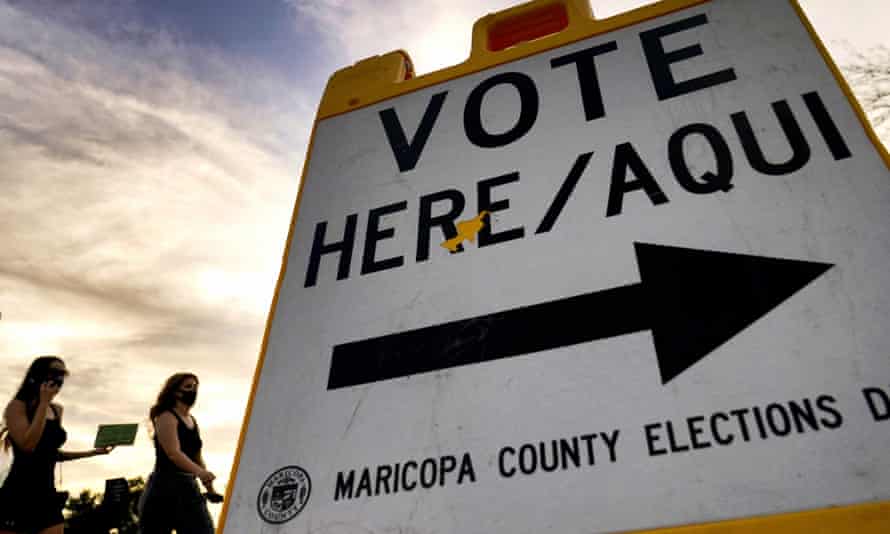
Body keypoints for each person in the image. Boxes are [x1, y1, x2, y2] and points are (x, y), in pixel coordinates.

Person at [0, 356, 114, 534]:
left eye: (62, 374)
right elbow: (28, 446)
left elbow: (52, 453)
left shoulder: (56, 410)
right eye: (54, 373)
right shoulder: (16, 407)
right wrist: (43, 403)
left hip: (47, 495)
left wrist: (93, 452)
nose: (59, 379)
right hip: (18, 494)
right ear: (36, 376)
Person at [138, 373, 218, 534]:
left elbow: (197, 456)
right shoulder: (166, 416)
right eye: (188, 387)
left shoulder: (192, 420)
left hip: (189, 487)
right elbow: (173, 453)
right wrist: (200, 472)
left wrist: (210, 489)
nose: (193, 391)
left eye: (195, 387)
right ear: (175, 392)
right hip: (163, 489)